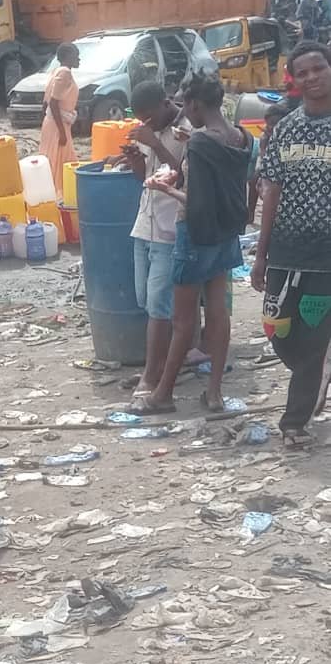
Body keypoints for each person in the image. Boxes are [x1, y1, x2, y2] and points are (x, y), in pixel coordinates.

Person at [133, 71, 253, 415]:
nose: (184, 111)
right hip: (225, 235)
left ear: (196, 104)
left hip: (195, 234)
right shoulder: (241, 137)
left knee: (183, 321)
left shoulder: (199, 143)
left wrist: (165, 189)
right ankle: (214, 393)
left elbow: (195, 200)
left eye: (186, 105)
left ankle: (163, 394)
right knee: (218, 313)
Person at [254, 42, 331, 449]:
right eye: (303, 73)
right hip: (285, 250)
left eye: (319, 68)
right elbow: (271, 192)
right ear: (294, 81)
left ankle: (294, 422)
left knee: (314, 337)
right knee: (277, 331)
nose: (312, 77)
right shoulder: (286, 128)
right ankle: (316, 372)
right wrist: (260, 254)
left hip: (326, 256)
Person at [120, 82, 193, 400]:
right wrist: (136, 159)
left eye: (149, 117)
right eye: (141, 119)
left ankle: (153, 376)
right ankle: (161, 364)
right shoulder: (151, 131)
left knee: (158, 305)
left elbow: (185, 175)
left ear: (165, 104)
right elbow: (146, 177)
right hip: (144, 225)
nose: (145, 123)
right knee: (145, 300)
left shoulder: (187, 129)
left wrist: (156, 144)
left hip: (170, 227)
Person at [39, 43, 81, 194]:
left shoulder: (56, 71)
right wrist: (62, 132)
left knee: (54, 160)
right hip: (58, 126)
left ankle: (55, 194)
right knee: (62, 162)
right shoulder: (65, 73)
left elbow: (45, 104)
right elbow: (53, 103)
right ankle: (62, 195)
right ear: (68, 56)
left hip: (52, 124)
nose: (79, 59)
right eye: (76, 55)